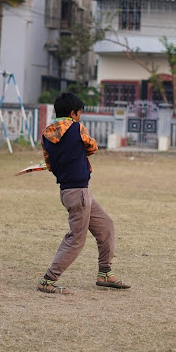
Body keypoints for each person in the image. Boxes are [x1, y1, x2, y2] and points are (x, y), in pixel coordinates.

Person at [37, 92, 130, 294]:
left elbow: (50, 164)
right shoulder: (77, 128)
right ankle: (48, 280)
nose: (80, 117)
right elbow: (92, 147)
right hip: (78, 192)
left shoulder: (46, 134)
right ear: (73, 113)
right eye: (79, 113)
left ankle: (104, 273)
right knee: (76, 238)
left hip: (71, 192)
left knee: (105, 225)